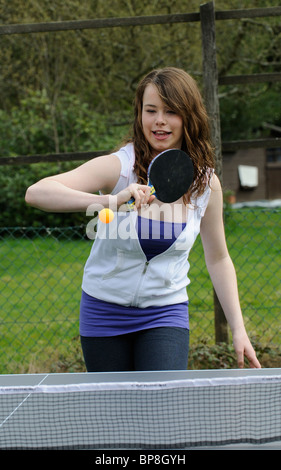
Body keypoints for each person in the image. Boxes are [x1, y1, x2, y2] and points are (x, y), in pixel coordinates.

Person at [25, 67, 261, 372]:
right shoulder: (120, 168)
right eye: (151, 110)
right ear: (140, 114)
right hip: (103, 311)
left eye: (171, 111)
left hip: (166, 312)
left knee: (161, 409)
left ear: (188, 117)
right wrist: (110, 200)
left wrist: (238, 329)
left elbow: (218, 259)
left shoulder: (205, 184)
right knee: (114, 413)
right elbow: (37, 192)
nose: (159, 120)